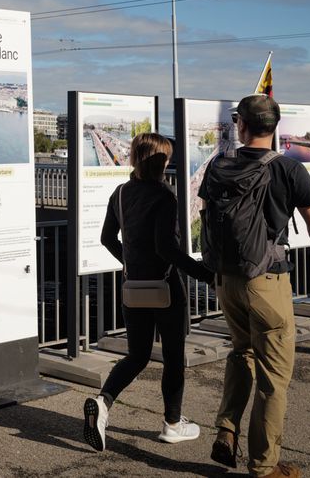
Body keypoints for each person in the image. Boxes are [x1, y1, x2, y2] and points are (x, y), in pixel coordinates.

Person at [201, 95, 310, 478]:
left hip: (227, 280)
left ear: (242, 125)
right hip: (267, 282)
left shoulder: (218, 165)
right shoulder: (289, 169)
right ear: (276, 127)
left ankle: (227, 428)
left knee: (241, 352)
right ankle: (265, 466)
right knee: (274, 377)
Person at [84, 133, 215, 452]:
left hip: (133, 287)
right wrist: (203, 274)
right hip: (165, 289)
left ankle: (103, 404)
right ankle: (172, 423)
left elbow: (107, 238)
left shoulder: (120, 193)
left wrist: (131, 263)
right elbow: (166, 248)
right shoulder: (164, 196)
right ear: (162, 162)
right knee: (172, 357)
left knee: (138, 355)